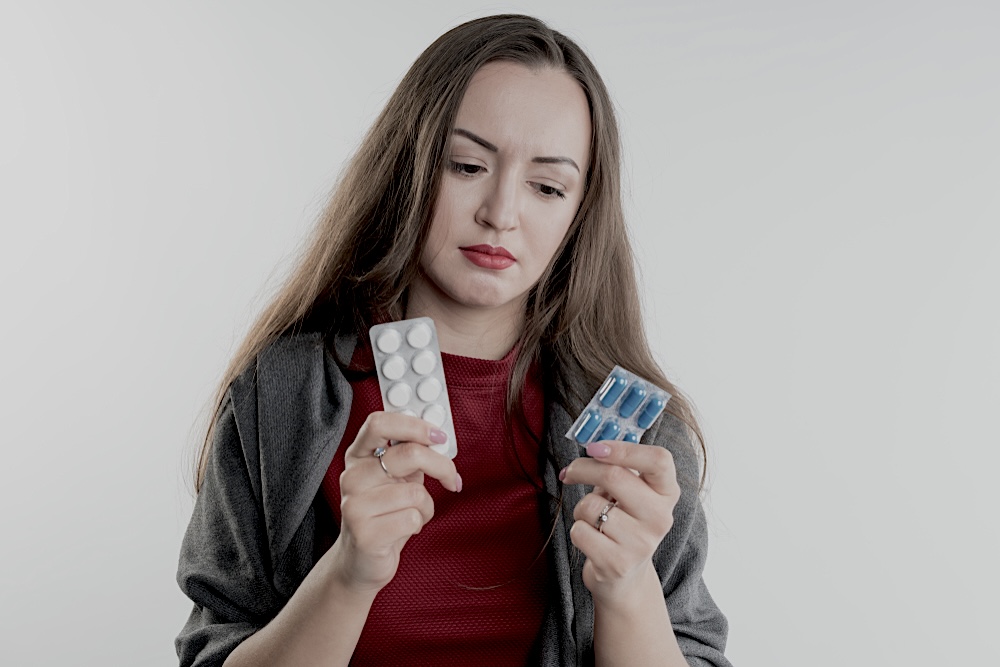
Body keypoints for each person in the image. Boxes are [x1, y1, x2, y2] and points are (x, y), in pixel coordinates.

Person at [175, 13, 731, 667]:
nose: (501, 212)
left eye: (547, 186)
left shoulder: (640, 444)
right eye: (467, 165)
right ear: (408, 166)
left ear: (580, 215)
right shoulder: (282, 397)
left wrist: (629, 588)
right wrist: (351, 572)